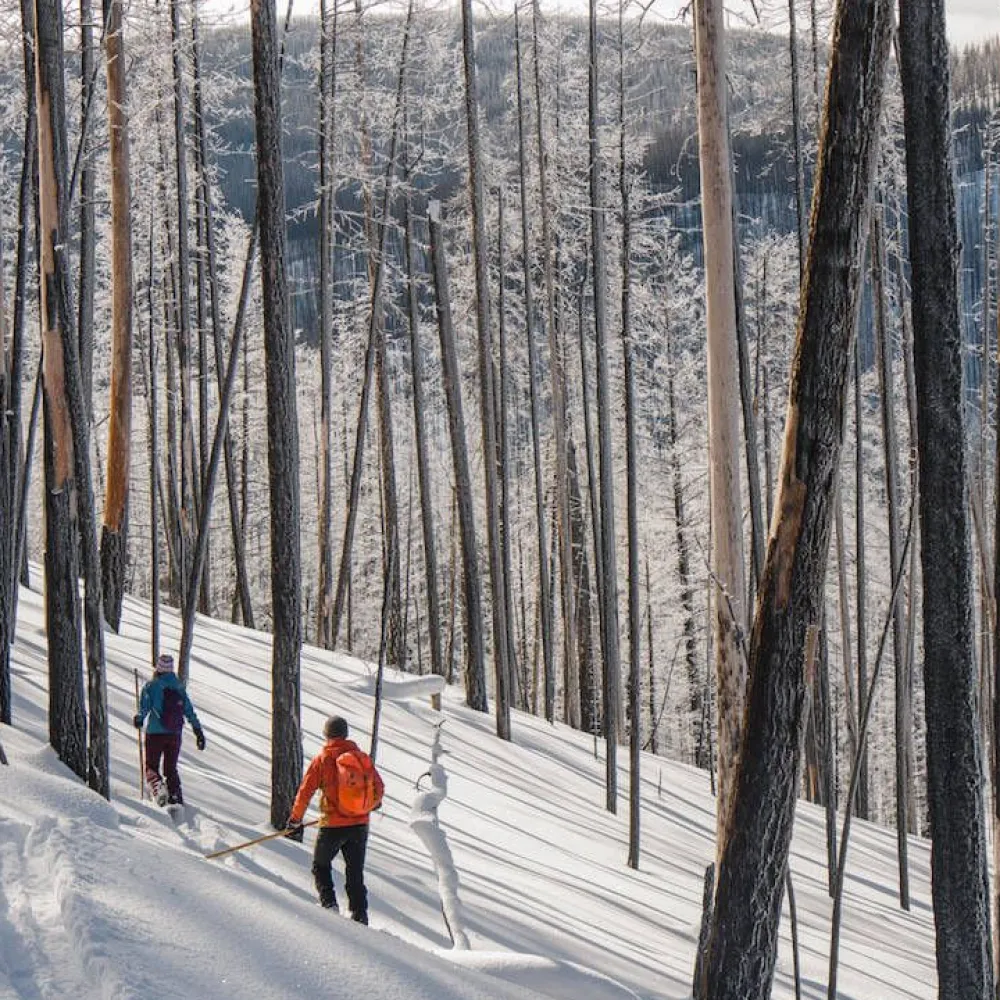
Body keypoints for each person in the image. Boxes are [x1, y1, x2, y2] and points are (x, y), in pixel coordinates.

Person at [286, 715, 384, 924]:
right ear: (346, 734)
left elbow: (305, 792)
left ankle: (329, 906)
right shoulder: (360, 758)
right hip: (360, 825)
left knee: (320, 865)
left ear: (326, 735)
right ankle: (359, 915)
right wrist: (371, 804)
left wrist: (295, 820)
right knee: (354, 872)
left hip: (332, 825)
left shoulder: (323, 759)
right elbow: (379, 786)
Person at [133, 653, 205, 807]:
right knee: (171, 769)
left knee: (151, 766)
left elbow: (144, 708)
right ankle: (175, 795)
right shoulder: (179, 687)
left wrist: (139, 718)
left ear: (158, 668)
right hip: (174, 734)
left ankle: (158, 788)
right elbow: (189, 710)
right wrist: (198, 730)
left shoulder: (151, 686)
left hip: (155, 733)